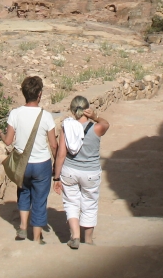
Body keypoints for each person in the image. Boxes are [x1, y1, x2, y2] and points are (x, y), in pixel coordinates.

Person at [0, 76, 56, 243]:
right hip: (42, 164)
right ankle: (36, 237)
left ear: (24, 93)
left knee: (24, 193)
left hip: (23, 163)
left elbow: (8, 141)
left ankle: (22, 228)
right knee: (40, 200)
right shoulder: (46, 116)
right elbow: (53, 144)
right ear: (39, 94)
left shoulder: (15, 114)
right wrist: (57, 164)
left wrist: (0, 134)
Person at [53, 96, 110, 249]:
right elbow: (106, 124)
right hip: (90, 172)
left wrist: (56, 177)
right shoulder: (96, 128)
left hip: (69, 171)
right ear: (87, 109)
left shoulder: (67, 127)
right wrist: (95, 117)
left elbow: (61, 154)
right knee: (89, 204)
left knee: (71, 202)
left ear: (72, 111)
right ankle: (89, 240)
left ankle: (75, 236)